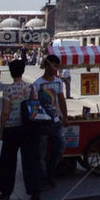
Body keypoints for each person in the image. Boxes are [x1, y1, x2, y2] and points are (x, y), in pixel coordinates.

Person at [0, 59, 41, 200]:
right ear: (23, 71)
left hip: (12, 129)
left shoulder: (8, 90)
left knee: (8, 161)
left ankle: (5, 190)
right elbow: (35, 107)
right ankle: (34, 190)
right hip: (28, 128)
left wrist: (1, 130)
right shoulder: (31, 88)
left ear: (10, 73)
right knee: (31, 160)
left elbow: (5, 112)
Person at [33, 55, 68, 188]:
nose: (56, 69)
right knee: (40, 152)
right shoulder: (37, 84)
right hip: (42, 123)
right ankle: (43, 178)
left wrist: (65, 116)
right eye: (54, 65)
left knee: (60, 147)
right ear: (46, 66)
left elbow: (61, 99)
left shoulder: (58, 82)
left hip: (55, 121)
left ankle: (50, 172)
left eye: (57, 66)